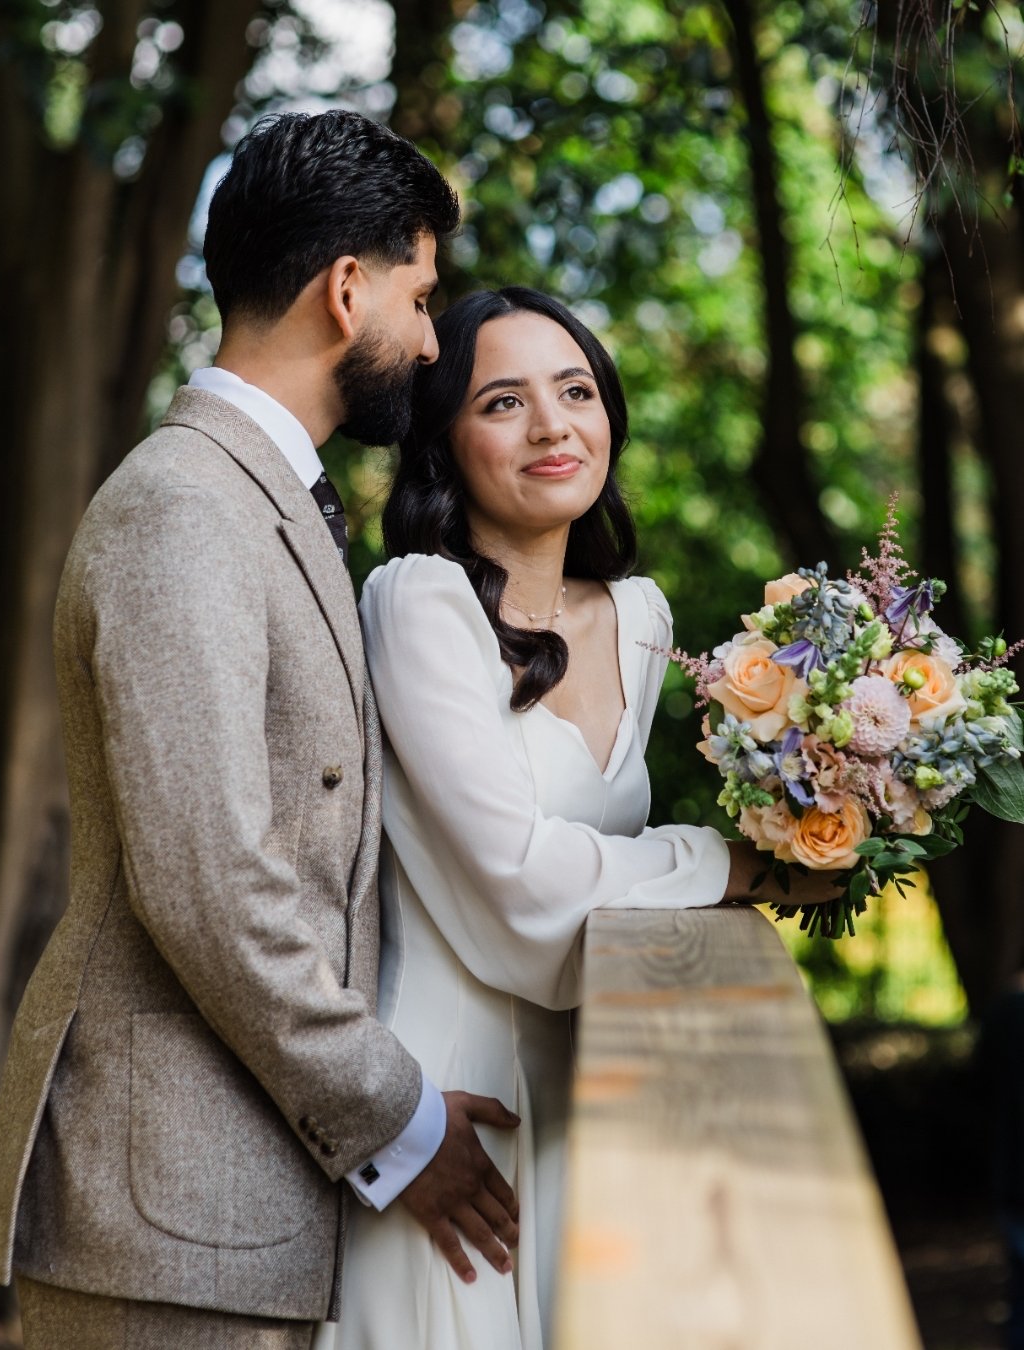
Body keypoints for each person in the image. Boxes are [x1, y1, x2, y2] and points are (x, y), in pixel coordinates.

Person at [0, 111, 521, 1349]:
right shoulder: (185, 508)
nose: (432, 342)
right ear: (345, 289)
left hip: (230, 1210)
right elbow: (212, 877)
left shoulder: (253, 496)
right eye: (420, 298)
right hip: (170, 1224)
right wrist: (396, 1118)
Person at [316, 286, 837, 1350]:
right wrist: (737, 863)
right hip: (454, 1112)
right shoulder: (418, 603)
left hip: (591, 1092)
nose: (553, 425)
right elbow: (518, 889)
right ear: (444, 441)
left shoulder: (641, 620)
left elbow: (596, 880)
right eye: (502, 401)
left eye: (577, 390)